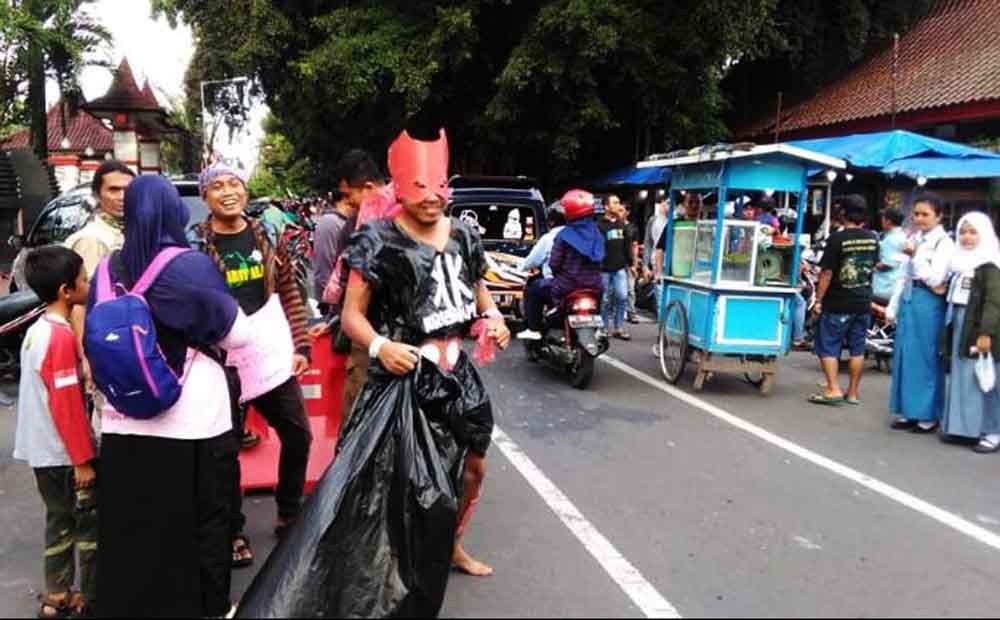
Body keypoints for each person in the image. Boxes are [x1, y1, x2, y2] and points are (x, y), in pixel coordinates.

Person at [342, 128, 510, 577]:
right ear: (398, 187)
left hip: (456, 374)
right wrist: (381, 346)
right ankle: (390, 562)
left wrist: (494, 318)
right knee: (399, 477)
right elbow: (351, 316)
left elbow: (480, 292)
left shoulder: (465, 235)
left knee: (473, 467)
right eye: (419, 187)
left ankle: (451, 545)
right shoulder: (376, 239)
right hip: (404, 375)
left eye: (439, 186)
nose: (432, 197)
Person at [93, 175, 252, 617]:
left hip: (122, 416)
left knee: (136, 524)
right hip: (193, 418)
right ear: (173, 212)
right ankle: (209, 607)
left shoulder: (106, 268)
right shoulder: (188, 266)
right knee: (205, 520)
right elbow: (238, 335)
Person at [189, 164, 313, 569]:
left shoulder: (267, 234)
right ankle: (232, 530)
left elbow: (289, 289)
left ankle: (289, 511)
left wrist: (302, 344)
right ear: (205, 197)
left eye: (234, 184)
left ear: (245, 191)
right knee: (224, 452)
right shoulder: (195, 244)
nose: (228, 192)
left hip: (269, 357)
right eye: (217, 186)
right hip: (221, 363)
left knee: (298, 434)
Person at [14, 246, 96, 619]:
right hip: (63, 454)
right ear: (66, 291)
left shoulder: (37, 331)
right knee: (88, 526)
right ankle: (93, 598)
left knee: (59, 520)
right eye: (84, 280)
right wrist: (82, 460)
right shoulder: (60, 338)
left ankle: (57, 595)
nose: (88, 285)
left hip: (42, 450)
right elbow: (66, 407)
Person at [65, 160, 135, 396]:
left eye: (128, 190)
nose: (122, 197)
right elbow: (81, 302)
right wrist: (87, 359)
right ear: (97, 194)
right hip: (106, 348)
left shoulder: (130, 232)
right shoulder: (92, 240)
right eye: (113, 190)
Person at [887, 193, 955, 433]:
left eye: (925, 214)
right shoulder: (915, 238)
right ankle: (908, 411)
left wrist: (915, 257)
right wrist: (893, 305)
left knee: (926, 357)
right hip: (909, 297)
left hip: (928, 302)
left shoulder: (943, 243)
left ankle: (927, 415)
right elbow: (903, 275)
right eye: (916, 214)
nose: (919, 218)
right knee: (905, 355)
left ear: (939, 216)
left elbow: (936, 278)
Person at [808, 195, 879, 406]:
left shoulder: (837, 239)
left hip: (838, 301)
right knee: (857, 349)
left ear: (843, 213)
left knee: (828, 345)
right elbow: (874, 266)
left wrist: (818, 300)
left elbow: (827, 273)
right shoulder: (872, 238)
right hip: (863, 300)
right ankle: (853, 393)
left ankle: (833, 389)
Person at [942, 213, 1000, 451]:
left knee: (986, 379)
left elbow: (994, 302)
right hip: (960, 323)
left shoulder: (990, 265)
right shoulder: (959, 262)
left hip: (978, 326)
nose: (967, 237)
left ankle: (992, 432)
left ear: (984, 234)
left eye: (973, 232)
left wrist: (986, 333)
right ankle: (964, 429)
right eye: (963, 231)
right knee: (963, 377)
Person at [517, 190, 605, 340]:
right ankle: (597, 329)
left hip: (566, 286)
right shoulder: (597, 234)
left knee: (535, 288)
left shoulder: (562, 236)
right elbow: (602, 259)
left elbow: (554, 263)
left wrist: (559, 275)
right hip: (595, 286)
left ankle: (534, 329)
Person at [599, 195, 635, 340]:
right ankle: (603, 328)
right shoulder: (599, 225)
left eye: (619, 202)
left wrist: (631, 264)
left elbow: (627, 245)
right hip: (603, 269)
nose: (618, 205)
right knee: (604, 299)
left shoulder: (622, 224)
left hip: (620, 268)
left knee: (622, 296)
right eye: (615, 203)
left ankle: (619, 328)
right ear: (606, 207)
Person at [518, 205, 566, 278]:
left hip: (554, 282)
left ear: (551, 222)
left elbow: (532, 262)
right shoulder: (576, 235)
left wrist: (517, 269)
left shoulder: (548, 238)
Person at [873, 207, 907, 301]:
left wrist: (871, 267)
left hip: (884, 287)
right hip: (896, 285)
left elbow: (887, 264)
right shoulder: (903, 236)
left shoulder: (890, 239)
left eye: (883, 219)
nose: (881, 221)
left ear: (888, 221)